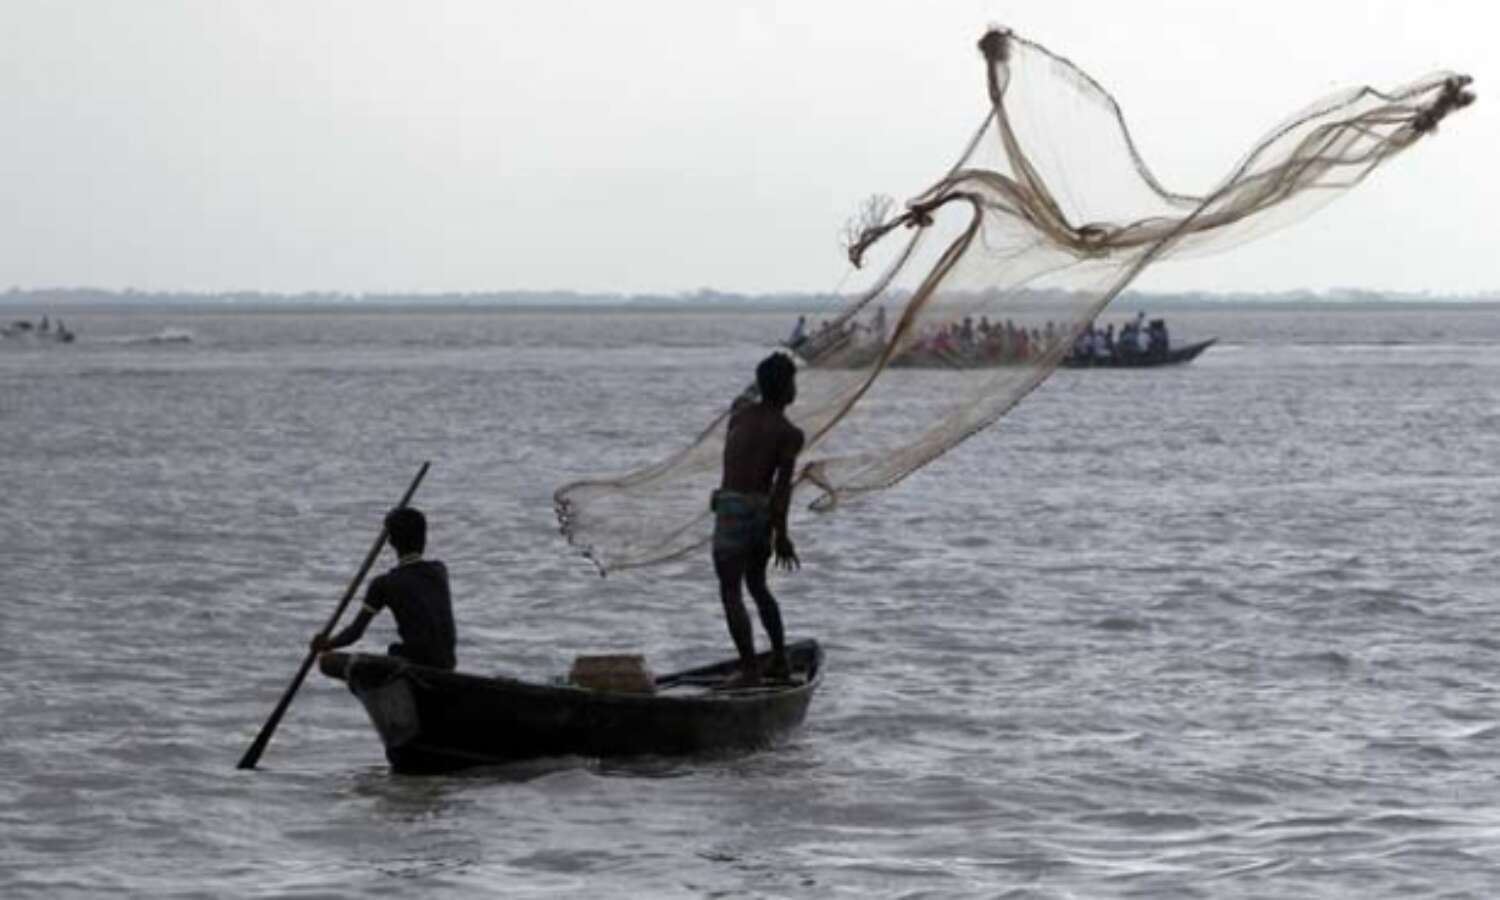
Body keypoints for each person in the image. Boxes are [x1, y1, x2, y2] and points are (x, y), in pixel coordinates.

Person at [711, 352, 805, 685]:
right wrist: (781, 534)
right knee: (758, 585)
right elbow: (781, 491)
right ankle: (778, 659)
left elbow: (747, 393)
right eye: (793, 381)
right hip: (759, 512)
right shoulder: (789, 433)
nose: (796, 388)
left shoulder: (738, 414)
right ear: (785, 388)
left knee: (731, 591)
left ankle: (750, 668)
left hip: (731, 509)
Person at [311, 507, 457, 670]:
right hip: (447, 664)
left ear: (391, 542)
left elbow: (355, 633)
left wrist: (327, 644)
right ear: (424, 538)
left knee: (391, 652)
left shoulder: (384, 584)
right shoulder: (440, 571)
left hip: (417, 663)